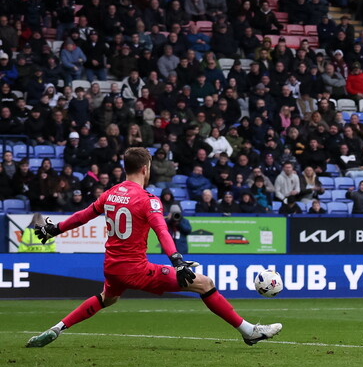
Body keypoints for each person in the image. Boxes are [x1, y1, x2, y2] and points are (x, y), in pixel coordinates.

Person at [25, 147, 281, 347]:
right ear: (146, 169)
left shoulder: (110, 193)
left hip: (112, 267)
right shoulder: (148, 200)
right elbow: (162, 230)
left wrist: (55, 229)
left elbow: (83, 215)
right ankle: (250, 332)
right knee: (205, 283)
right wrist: (177, 260)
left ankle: (57, 327)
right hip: (136, 269)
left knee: (109, 298)